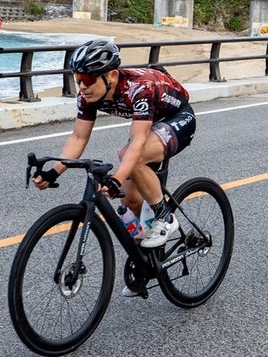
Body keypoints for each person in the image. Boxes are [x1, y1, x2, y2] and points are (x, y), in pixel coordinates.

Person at [36, 37, 194, 253]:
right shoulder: (87, 96)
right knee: (131, 202)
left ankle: (165, 216)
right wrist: (53, 173)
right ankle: (143, 266)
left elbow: (138, 141)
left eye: (88, 78)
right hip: (150, 123)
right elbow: (78, 138)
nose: (82, 86)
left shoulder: (139, 89)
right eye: (78, 78)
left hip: (178, 117)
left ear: (111, 75)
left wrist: (116, 180)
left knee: (130, 155)